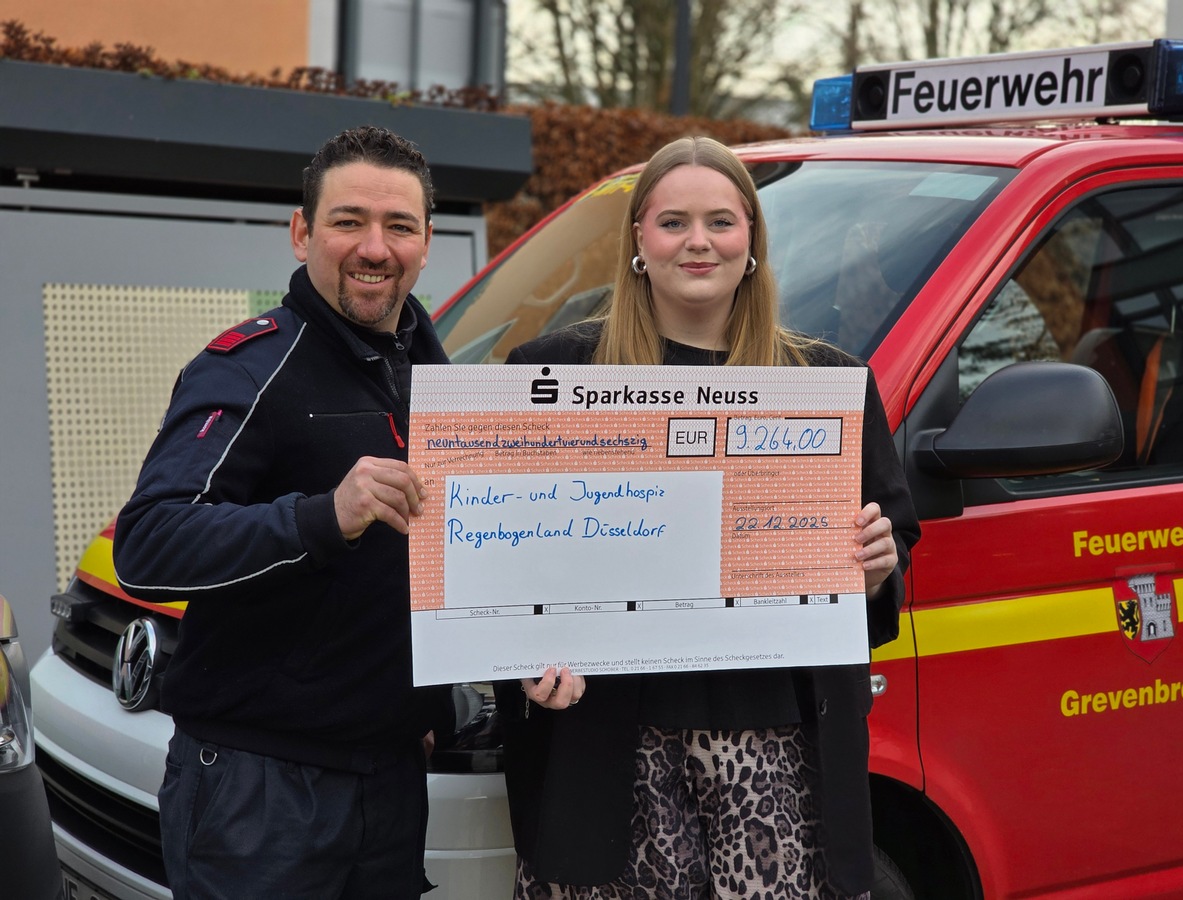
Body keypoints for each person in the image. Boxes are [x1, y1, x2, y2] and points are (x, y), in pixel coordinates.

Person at [497, 136, 921, 900]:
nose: (699, 242)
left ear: (751, 240)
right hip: (602, 749)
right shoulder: (549, 374)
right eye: (674, 223)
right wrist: (524, 656)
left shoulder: (828, 385)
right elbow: (502, 560)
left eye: (721, 222)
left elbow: (890, 549)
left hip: (781, 748)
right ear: (639, 240)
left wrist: (873, 573)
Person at [113, 125, 452, 900]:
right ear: (302, 233)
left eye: (399, 226)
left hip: (392, 782)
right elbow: (148, 543)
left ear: (426, 244)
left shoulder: (439, 378)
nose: (375, 247)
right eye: (348, 221)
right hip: (258, 792)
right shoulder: (249, 367)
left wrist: (432, 699)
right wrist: (323, 516)